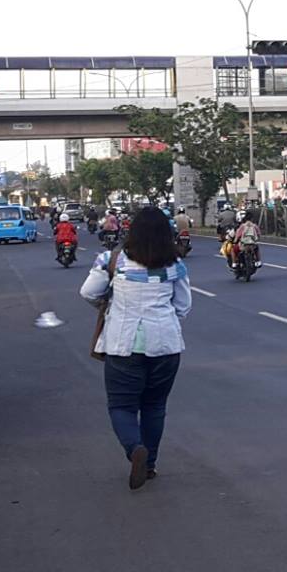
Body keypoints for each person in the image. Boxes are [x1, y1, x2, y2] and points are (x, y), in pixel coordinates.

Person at [80, 206, 192, 490]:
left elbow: (89, 292)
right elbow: (183, 306)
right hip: (165, 345)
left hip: (123, 345)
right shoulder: (175, 265)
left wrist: (110, 307)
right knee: (154, 406)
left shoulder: (112, 260)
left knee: (121, 405)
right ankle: (149, 464)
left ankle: (134, 448)